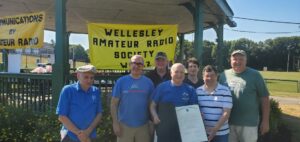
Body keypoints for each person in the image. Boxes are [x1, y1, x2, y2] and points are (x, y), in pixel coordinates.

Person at [219, 50, 270, 142]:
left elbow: (265, 98)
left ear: (246, 61)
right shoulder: (224, 75)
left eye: (241, 59)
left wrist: (265, 121)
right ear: (230, 61)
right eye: (235, 59)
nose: (237, 62)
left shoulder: (255, 75)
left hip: (249, 124)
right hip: (227, 123)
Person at [110, 55, 154, 142]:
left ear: (143, 66)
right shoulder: (121, 81)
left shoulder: (148, 83)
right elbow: (114, 103)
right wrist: (115, 123)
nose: (136, 66)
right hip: (124, 125)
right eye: (134, 63)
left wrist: (151, 122)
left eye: (139, 64)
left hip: (143, 126)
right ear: (130, 65)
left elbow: (152, 104)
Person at [150, 63, 198, 142]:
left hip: (183, 130)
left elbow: (194, 109)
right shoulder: (161, 87)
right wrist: (154, 116)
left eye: (182, 72)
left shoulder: (190, 89)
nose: (179, 74)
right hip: (164, 129)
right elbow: (152, 105)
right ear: (171, 73)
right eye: (176, 72)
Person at [56, 65, 102, 142]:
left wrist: (87, 133)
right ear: (78, 76)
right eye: (86, 77)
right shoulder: (68, 90)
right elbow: (62, 116)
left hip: (90, 135)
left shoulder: (96, 91)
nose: (89, 80)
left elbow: (99, 114)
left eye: (92, 78)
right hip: (70, 136)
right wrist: (79, 133)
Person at [196, 65, 232, 142]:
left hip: (221, 133)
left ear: (217, 76)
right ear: (203, 77)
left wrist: (215, 129)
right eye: (207, 76)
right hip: (202, 132)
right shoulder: (197, 91)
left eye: (212, 75)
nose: (209, 78)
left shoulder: (225, 91)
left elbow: (226, 113)